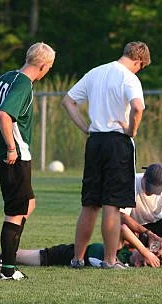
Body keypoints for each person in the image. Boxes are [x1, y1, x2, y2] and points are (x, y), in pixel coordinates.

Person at [62, 41, 151, 269]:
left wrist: (85, 128)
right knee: (112, 204)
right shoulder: (129, 78)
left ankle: (77, 258)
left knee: (90, 203)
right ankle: (110, 260)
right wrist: (132, 130)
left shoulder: (96, 72)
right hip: (117, 143)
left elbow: (68, 101)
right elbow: (138, 107)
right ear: (139, 61)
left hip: (95, 142)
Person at [0, 42, 56, 280]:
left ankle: (9, 254)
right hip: (14, 155)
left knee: (28, 204)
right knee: (15, 211)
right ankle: (8, 268)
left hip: (5, 152)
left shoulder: (6, 78)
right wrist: (11, 147)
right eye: (49, 67)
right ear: (43, 65)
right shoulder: (23, 85)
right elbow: (3, 114)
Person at [0, 224, 162, 268]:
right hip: (69, 252)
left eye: (143, 264)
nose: (141, 263)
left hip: (65, 259)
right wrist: (145, 251)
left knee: (12, 257)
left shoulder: (127, 265)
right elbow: (122, 228)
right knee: (10, 256)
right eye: (142, 261)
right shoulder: (121, 248)